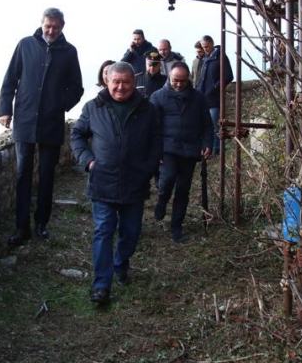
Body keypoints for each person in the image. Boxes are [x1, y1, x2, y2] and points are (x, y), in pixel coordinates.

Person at [70, 61, 160, 305]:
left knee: (130, 233)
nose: (120, 87)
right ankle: (101, 285)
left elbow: (156, 142)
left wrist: (148, 169)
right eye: (115, 82)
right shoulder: (93, 107)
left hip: (135, 183)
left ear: (134, 83)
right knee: (103, 231)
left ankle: (121, 263)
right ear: (107, 81)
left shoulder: (147, 110)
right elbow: (77, 135)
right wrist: (87, 161)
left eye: (126, 82)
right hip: (103, 183)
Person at [0, 7, 84, 246]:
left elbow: (77, 88)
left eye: (56, 27)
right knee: (22, 174)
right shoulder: (25, 45)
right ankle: (21, 227)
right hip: (24, 120)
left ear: (62, 27)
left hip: (51, 122)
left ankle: (41, 225)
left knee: (47, 176)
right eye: (48, 26)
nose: (51, 30)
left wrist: (60, 105)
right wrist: (5, 109)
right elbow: (10, 79)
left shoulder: (69, 52)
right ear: (42, 24)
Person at [150, 62, 212, 243]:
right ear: (169, 77)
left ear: (188, 79)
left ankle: (176, 226)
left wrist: (207, 143)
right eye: (176, 80)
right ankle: (162, 201)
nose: (179, 84)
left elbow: (207, 124)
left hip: (190, 149)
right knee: (167, 179)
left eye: (183, 81)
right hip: (168, 148)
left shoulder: (198, 98)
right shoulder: (158, 97)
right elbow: (152, 127)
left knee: (183, 189)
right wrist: (156, 150)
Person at [195, 35, 233, 154]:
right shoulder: (205, 59)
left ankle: (218, 149)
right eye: (203, 47)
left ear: (211, 44)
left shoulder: (220, 57)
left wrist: (215, 87)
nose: (205, 49)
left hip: (214, 97)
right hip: (203, 96)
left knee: (215, 124)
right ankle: (208, 148)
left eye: (206, 46)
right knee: (205, 124)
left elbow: (228, 76)